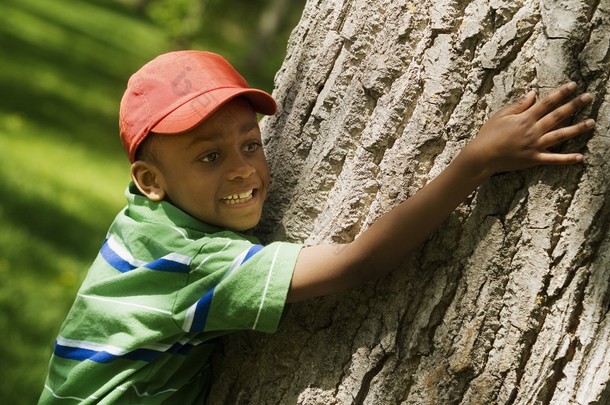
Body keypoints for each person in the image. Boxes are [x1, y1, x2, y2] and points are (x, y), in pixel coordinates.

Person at [39, 50, 595, 403]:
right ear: (151, 178)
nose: (242, 168)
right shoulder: (191, 263)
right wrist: (475, 163)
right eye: (209, 158)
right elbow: (361, 263)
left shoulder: (144, 221)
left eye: (251, 144)